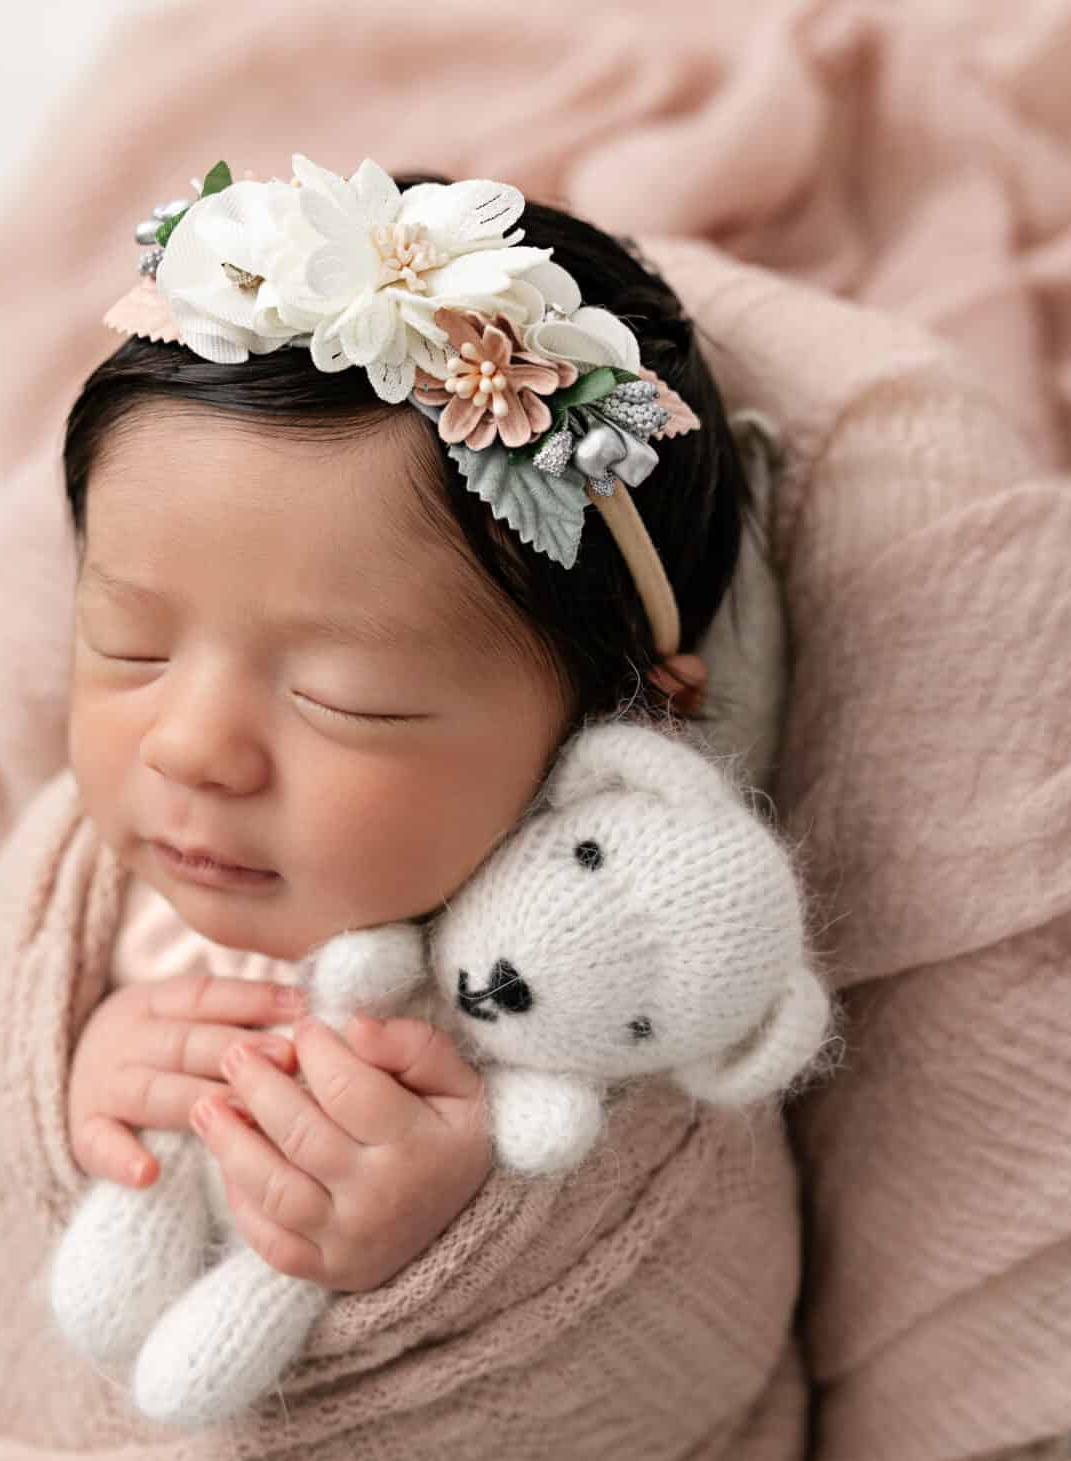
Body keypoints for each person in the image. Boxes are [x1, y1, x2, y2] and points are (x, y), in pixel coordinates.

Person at [58, 157, 763, 1300]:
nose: (185, 747)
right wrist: (61, 1081)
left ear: (629, 724)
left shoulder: (625, 990)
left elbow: (698, 1304)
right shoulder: (78, 884)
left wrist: (452, 1246)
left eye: (347, 699)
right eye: (126, 646)